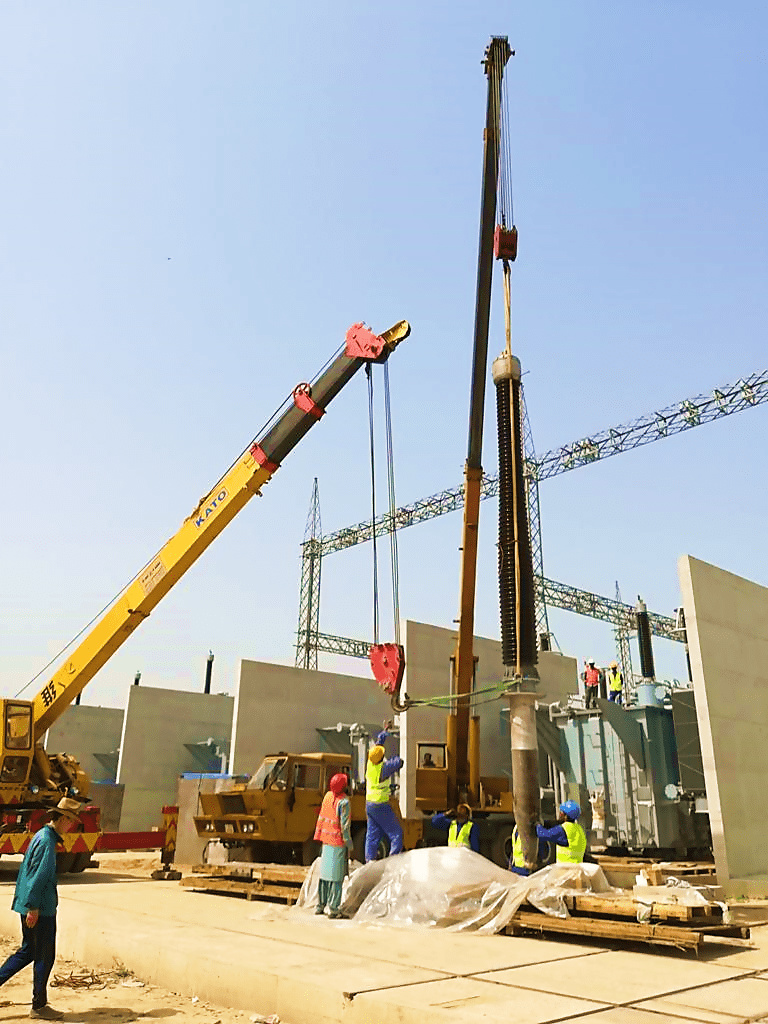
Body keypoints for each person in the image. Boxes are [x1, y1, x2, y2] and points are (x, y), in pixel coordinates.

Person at [0, 797, 82, 1019]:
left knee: (28, 951)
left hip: (30, 904)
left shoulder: (41, 836)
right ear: (63, 818)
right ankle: (39, 1005)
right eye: (70, 821)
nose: (71, 826)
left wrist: (27, 904)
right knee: (44, 955)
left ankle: (38, 1003)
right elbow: (39, 875)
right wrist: (34, 907)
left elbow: (27, 873)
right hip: (40, 909)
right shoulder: (47, 842)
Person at [313, 772, 353, 918]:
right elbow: (345, 826)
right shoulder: (344, 802)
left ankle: (320, 906)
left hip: (325, 841)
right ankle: (334, 909)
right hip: (337, 843)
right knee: (336, 878)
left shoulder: (327, 796)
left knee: (324, 876)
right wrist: (349, 844)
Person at [364, 729, 404, 862]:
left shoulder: (370, 764)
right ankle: (393, 861)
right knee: (396, 834)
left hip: (370, 804)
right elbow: (399, 762)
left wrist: (383, 733)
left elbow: (376, 747)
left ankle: (369, 861)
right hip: (381, 805)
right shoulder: (384, 769)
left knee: (372, 835)